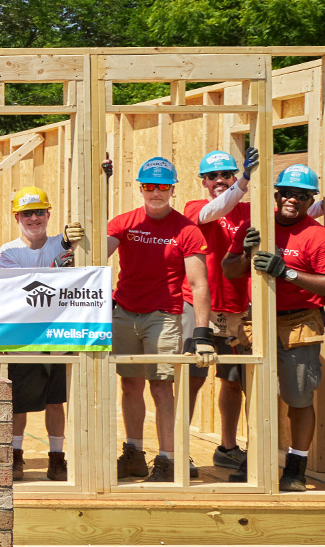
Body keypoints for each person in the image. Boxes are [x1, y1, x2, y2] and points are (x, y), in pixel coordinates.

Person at [107, 157, 214, 482]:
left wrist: (202, 332)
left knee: (162, 386)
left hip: (163, 316)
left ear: (172, 189)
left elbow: (198, 284)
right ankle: (134, 454)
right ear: (141, 188)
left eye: (163, 186)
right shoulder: (124, 223)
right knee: (129, 385)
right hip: (124, 311)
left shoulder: (186, 230)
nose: (156, 192)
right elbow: (95, 257)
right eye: (149, 186)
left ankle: (167, 460)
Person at [223, 164, 324, 492]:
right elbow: (230, 270)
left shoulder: (317, 235)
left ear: (311, 201)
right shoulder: (256, 226)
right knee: (256, 396)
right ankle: (256, 457)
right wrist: (244, 252)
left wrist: (288, 272)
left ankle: (295, 466)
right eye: (287, 194)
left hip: (299, 323)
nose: (293, 200)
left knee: (298, 397)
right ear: (276, 195)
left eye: (302, 196)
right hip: (259, 320)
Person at [0, 186, 85, 481]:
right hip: (23, 339)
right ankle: (16, 457)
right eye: (27, 214)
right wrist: (56, 268)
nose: (34, 219)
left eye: (39, 212)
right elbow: (16, 291)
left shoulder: (64, 244)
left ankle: (57, 459)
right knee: (19, 402)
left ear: (48, 214)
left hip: (59, 335)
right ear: (17, 217)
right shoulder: (9, 252)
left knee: (55, 401)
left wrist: (78, 242)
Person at [182, 148, 259, 480]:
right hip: (199, 309)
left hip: (236, 311)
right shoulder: (196, 208)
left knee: (232, 381)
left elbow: (292, 216)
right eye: (213, 176)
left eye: (225, 175)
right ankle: (177, 451)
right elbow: (218, 208)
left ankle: (227, 449)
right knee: (191, 379)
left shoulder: (249, 211)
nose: (219, 181)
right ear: (203, 182)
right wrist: (244, 180)